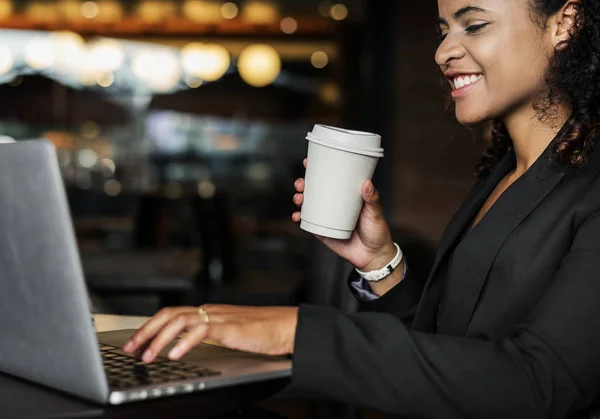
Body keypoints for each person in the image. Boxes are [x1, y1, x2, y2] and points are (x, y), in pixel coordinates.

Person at [123, 0, 600, 417]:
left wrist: (297, 333)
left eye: (473, 25)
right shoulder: (501, 174)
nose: (443, 51)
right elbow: (451, 351)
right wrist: (380, 263)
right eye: (442, 30)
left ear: (565, 23)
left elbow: (541, 385)